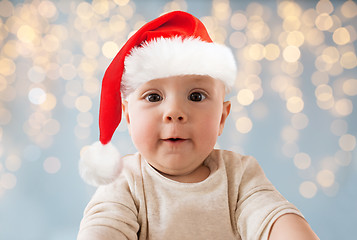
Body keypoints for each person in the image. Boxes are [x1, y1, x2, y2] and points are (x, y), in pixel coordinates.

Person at [77, 11, 319, 240]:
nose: (174, 113)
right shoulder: (125, 181)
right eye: (153, 97)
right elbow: (104, 227)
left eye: (196, 96)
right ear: (128, 116)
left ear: (222, 118)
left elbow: (272, 216)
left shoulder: (240, 175)